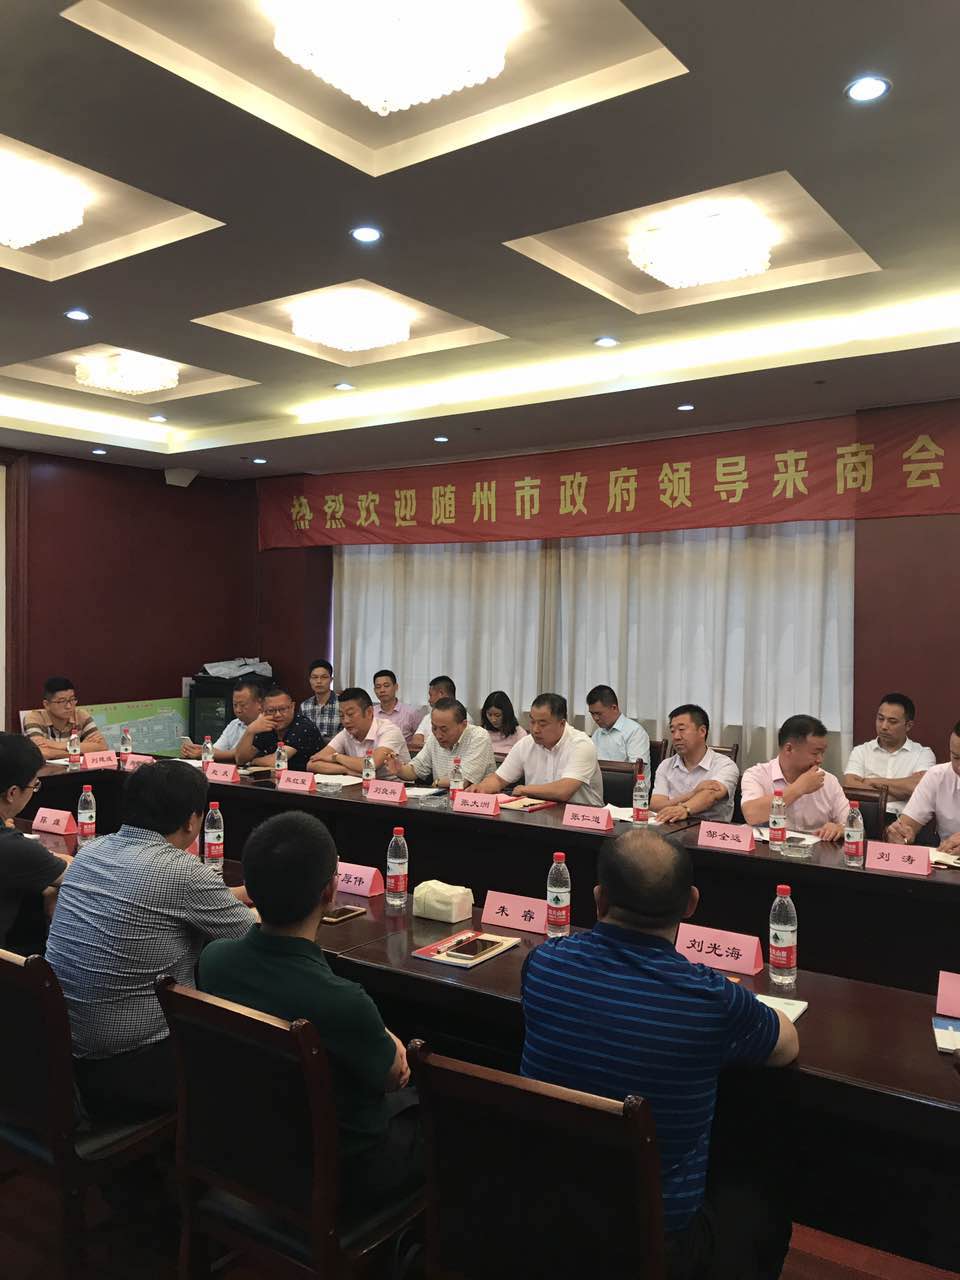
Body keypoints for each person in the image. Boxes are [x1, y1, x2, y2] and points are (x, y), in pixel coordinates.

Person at [521, 829, 797, 1278]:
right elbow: (787, 1044)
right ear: (691, 904)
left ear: (598, 899)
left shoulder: (543, 965)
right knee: (762, 1192)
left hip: (543, 1216)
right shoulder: (710, 999)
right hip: (656, 1242)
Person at [198, 811, 422, 1213]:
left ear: (249, 889)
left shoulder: (214, 960)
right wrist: (386, 1036)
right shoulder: (344, 1002)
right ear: (330, 891)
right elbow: (394, 1076)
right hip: (338, 1173)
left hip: (246, 1150)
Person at [46, 760, 255, 1121]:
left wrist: (245, 892)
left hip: (61, 1048)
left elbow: (185, 899)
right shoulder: (183, 872)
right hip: (132, 1067)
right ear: (192, 820)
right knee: (251, 1049)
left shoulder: (92, 851)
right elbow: (251, 936)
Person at [0, 733, 71, 953]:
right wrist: (49, 883)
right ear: (12, 793)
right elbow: (77, 874)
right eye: (34, 785)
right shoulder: (12, 847)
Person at [469, 693, 603, 807]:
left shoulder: (581, 744)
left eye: (542, 724)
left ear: (562, 723)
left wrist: (525, 790)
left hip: (582, 820)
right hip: (537, 815)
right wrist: (481, 789)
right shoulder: (526, 743)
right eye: (532, 722)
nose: (535, 729)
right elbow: (499, 779)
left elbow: (563, 791)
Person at [740, 714, 847, 840]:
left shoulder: (829, 781)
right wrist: (798, 788)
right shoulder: (756, 775)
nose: (820, 760)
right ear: (789, 749)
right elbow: (751, 814)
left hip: (816, 851)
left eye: (822, 753)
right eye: (815, 753)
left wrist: (840, 829)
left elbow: (853, 825)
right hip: (770, 848)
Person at [843, 693, 935, 815]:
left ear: (908, 725)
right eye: (880, 719)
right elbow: (850, 786)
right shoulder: (861, 751)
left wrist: (872, 781)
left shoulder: (923, 754)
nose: (884, 726)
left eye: (892, 721)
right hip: (865, 817)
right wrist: (903, 793)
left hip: (904, 820)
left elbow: (919, 787)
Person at [651, 705, 740, 824]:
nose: (676, 737)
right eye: (672, 731)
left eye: (682, 729)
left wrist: (685, 809)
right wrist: (693, 793)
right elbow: (655, 806)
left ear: (702, 731)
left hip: (710, 831)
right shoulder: (666, 765)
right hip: (670, 829)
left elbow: (710, 795)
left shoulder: (725, 765)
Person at [384, 698, 495, 788]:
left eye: (444, 729)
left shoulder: (479, 737)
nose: (438, 735)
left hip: (474, 803)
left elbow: (462, 782)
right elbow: (415, 770)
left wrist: (437, 782)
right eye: (434, 728)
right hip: (442, 801)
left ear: (463, 725)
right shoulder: (434, 738)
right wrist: (400, 770)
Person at [887, 720, 960, 852]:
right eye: (956, 757)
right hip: (947, 860)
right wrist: (899, 834)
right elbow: (906, 825)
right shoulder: (938, 776)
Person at [309, 688, 410, 778]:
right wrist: (346, 770)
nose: (346, 721)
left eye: (350, 714)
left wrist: (336, 757)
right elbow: (312, 764)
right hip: (361, 787)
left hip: (395, 788)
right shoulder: (346, 733)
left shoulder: (389, 730)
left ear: (369, 712)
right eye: (341, 715)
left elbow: (371, 765)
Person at [235, 685, 324, 772]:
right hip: (275, 778)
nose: (277, 715)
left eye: (283, 709)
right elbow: (240, 760)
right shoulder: (265, 725)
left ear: (292, 707)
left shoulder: (303, 726)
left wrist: (254, 761)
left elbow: (277, 761)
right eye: (271, 710)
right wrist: (250, 731)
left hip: (305, 779)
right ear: (262, 710)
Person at [23, 676, 108, 760]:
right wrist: (80, 748)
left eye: (72, 699)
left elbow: (102, 746)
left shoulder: (81, 715)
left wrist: (58, 745)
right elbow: (42, 752)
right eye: (62, 701)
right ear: (47, 704)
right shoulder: (34, 718)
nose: (69, 706)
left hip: (76, 767)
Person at [181, 678, 263, 761]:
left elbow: (239, 753)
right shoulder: (234, 724)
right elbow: (218, 749)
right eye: (235, 705)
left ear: (259, 703)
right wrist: (200, 749)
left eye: (243, 705)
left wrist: (205, 753)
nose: (238, 710)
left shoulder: (264, 726)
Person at [586, 684, 650, 772]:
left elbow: (636, 769)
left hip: (626, 780)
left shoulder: (635, 732)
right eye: (592, 714)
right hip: (601, 779)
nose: (595, 718)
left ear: (614, 708)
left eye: (599, 713)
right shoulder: (598, 733)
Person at [408, 676, 464, 752]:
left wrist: (428, 747)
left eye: (431, 695)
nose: (429, 700)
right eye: (434, 728)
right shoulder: (428, 717)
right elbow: (415, 742)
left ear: (441, 693)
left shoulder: (461, 717)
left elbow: (455, 747)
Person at [372, 670, 421, 746]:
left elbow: (420, 739)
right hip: (375, 752)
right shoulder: (370, 713)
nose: (382, 690)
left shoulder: (411, 712)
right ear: (374, 690)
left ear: (396, 687)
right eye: (378, 687)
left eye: (386, 686)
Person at [300, 658, 341, 743]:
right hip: (310, 750)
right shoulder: (304, 706)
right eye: (315, 677)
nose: (319, 681)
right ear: (310, 680)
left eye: (324, 677)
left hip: (337, 749)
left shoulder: (342, 703)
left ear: (331, 680)